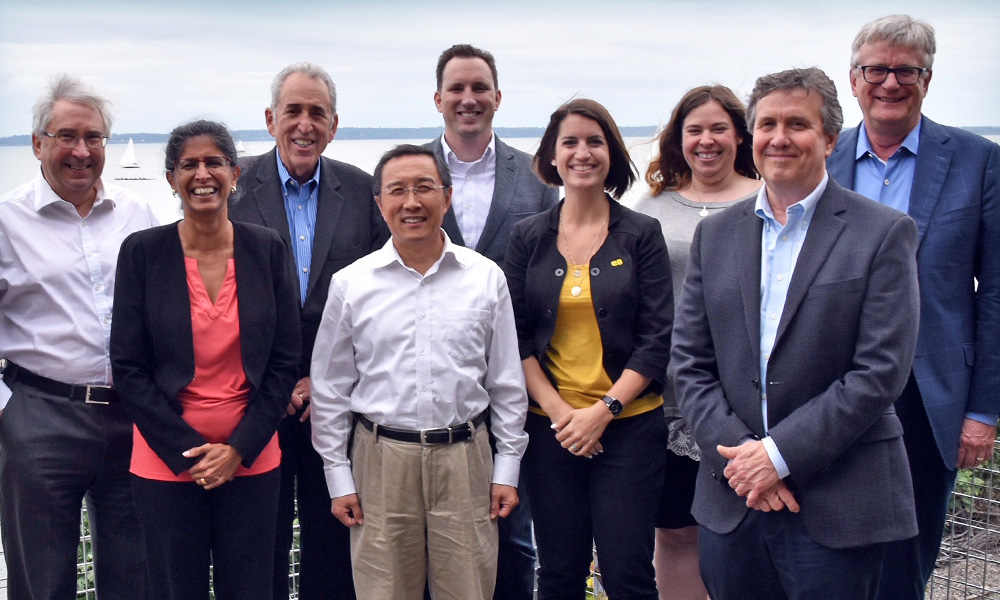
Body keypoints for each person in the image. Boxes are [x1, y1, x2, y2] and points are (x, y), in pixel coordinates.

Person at [672, 67, 920, 600]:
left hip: (839, 504)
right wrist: (744, 459)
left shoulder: (882, 233)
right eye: (767, 125)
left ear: (830, 138)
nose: (779, 138)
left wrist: (777, 456)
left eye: (797, 124)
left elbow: (879, 373)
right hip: (733, 500)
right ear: (752, 137)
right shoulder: (714, 235)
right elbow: (689, 362)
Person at [826, 14, 1000, 599]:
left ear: (928, 79)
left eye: (907, 70)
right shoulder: (821, 159)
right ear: (853, 79)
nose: (890, 82)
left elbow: (995, 294)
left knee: (909, 556)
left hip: (929, 396)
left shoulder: (979, 160)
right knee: (827, 548)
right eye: (877, 69)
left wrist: (983, 412)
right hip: (827, 388)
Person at [309, 144, 528, 600]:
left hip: (466, 460)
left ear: (446, 197)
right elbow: (330, 389)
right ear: (380, 204)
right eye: (398, 191)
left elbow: (506, 382)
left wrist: (507, 468)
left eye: (425, 188)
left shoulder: (486, 278)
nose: (412, 202)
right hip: (380, 461)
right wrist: (338, 475)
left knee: (469, 590)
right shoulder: (352, 284)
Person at [110, 119, 300, 599]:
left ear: (235, 173)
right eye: (189, 164)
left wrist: (238, 448)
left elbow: (284, 362)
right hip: (166, 464)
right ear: (172, 178)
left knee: (253, 589)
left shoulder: (267, 249)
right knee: (176, 590)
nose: (202, 174)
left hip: (253, 459)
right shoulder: (142, 253)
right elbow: (128, 368)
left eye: (214, 162)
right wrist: (187, 453)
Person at [229, 61, 389, 600]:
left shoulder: (365, 192)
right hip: (254, 403)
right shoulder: (231, 190)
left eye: (316, 113)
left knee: (334, 546)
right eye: (292, 111)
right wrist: (279, 384)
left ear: (334, 123)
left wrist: (325, 383)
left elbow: (378, 302)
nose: (304, 124)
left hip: (337, 403)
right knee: (259, 547)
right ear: (271, 118)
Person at [504, 98, 672, 600]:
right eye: (570, 142)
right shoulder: (527, 237)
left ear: (612, 154)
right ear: (551, 157)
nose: (582, 152)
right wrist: (563, 416)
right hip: (551, 430)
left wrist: (603, 411)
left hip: (631, 427)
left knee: (628, 574)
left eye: (594, 141)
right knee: (558, 573)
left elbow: (657, 336)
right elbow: (515, 337)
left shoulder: (642, 234)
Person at [0, 74, 156, 599]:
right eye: (66, 135)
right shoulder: (6, 220)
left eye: (94, 138)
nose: (81, 151)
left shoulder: (139, 217)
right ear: (38, 143)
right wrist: (9, 409)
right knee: (41, 582)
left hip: (131, 418)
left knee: (135, 576)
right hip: (42, 416)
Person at [425, 43, 558, 599]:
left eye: (480, 88)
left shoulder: (535, 180)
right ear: (438, 99)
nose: (469, 99)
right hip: (427, 384)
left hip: (517, 382)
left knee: (514, 529)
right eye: (457, 88)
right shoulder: (409, 174)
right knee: (427, 538)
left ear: (498, 98)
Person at [632, 84, 761, 600]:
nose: (706, 141)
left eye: (718, 129)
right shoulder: (653, 204)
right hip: (665, 397)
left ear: (739, 135)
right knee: (676, 530)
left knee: (744, 531)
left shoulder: (766, 195)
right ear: (678, 139)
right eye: (694, 130)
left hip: (743, 394)